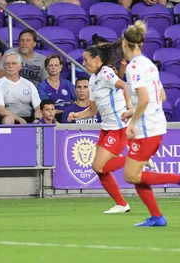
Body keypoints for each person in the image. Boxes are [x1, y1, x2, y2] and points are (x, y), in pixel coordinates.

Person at [120, 21, 180, 227]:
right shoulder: (149, 64)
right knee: (136, 175)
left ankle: (177, 180)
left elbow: (145, 98)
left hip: (146, 130)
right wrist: (131, 110)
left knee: (131, 175)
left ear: (124, 43)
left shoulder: (134, 67)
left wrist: (133, 121)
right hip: (156, 125)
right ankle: (157, 217)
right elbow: (160, 96)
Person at [66, 43, 132, 214]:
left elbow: (124, 86)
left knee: (99, 167)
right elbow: (93, 110)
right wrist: (77, 115)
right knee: (100, 170)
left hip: (118, 127)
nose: (84, 62)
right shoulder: (92, 79)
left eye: (86, 59)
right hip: (106, 128)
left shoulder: (106, 73)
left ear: (96, 60)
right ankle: (121, 204)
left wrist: (130, 107)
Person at [0, 51, 42, 124]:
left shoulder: (29, 84)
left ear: (20, 66)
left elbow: (38, 108)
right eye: (7, 64)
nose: (10, 66)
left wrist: (37, 119)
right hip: (6, 118)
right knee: (8, 119)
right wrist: (19, 119)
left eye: (14, 63)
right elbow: (0, 110)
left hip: (28, 118)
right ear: (4, 66)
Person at [37, 55, 76, 122]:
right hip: (54, 117)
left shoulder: (67, 84)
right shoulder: (42, 86)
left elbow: (78, 99)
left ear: (60, 67)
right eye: (50, 65)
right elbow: (47, 107)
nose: (53, 67)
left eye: (56, 65)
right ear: (46, 68)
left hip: (70, 116)